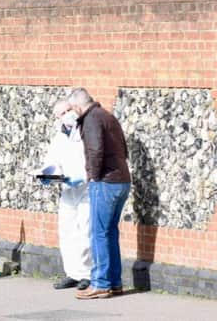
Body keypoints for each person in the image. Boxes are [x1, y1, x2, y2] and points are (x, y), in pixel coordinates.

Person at [67, 88, 131, 300]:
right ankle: (115, 282)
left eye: (73, 109)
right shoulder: (107, 115)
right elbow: (123, 147)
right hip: (121, 180)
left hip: (105, 181)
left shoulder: (92, 119)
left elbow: (95, 150)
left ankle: (100, 283)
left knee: (98, 233)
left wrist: (93, 176)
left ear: (77, 106)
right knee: (110, 232)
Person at [42, 99, 92, 291]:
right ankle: (73, 273)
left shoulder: (86, 131)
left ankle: (87, 274)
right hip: (68, 190)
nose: (65, 116)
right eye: (60, 114)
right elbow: (51, 160)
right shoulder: (59, 137)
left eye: (67, 111)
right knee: (67, 232)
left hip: (85, 188)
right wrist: (48, 174)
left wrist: (83, 177)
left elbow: (93, 159)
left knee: (85, 232)